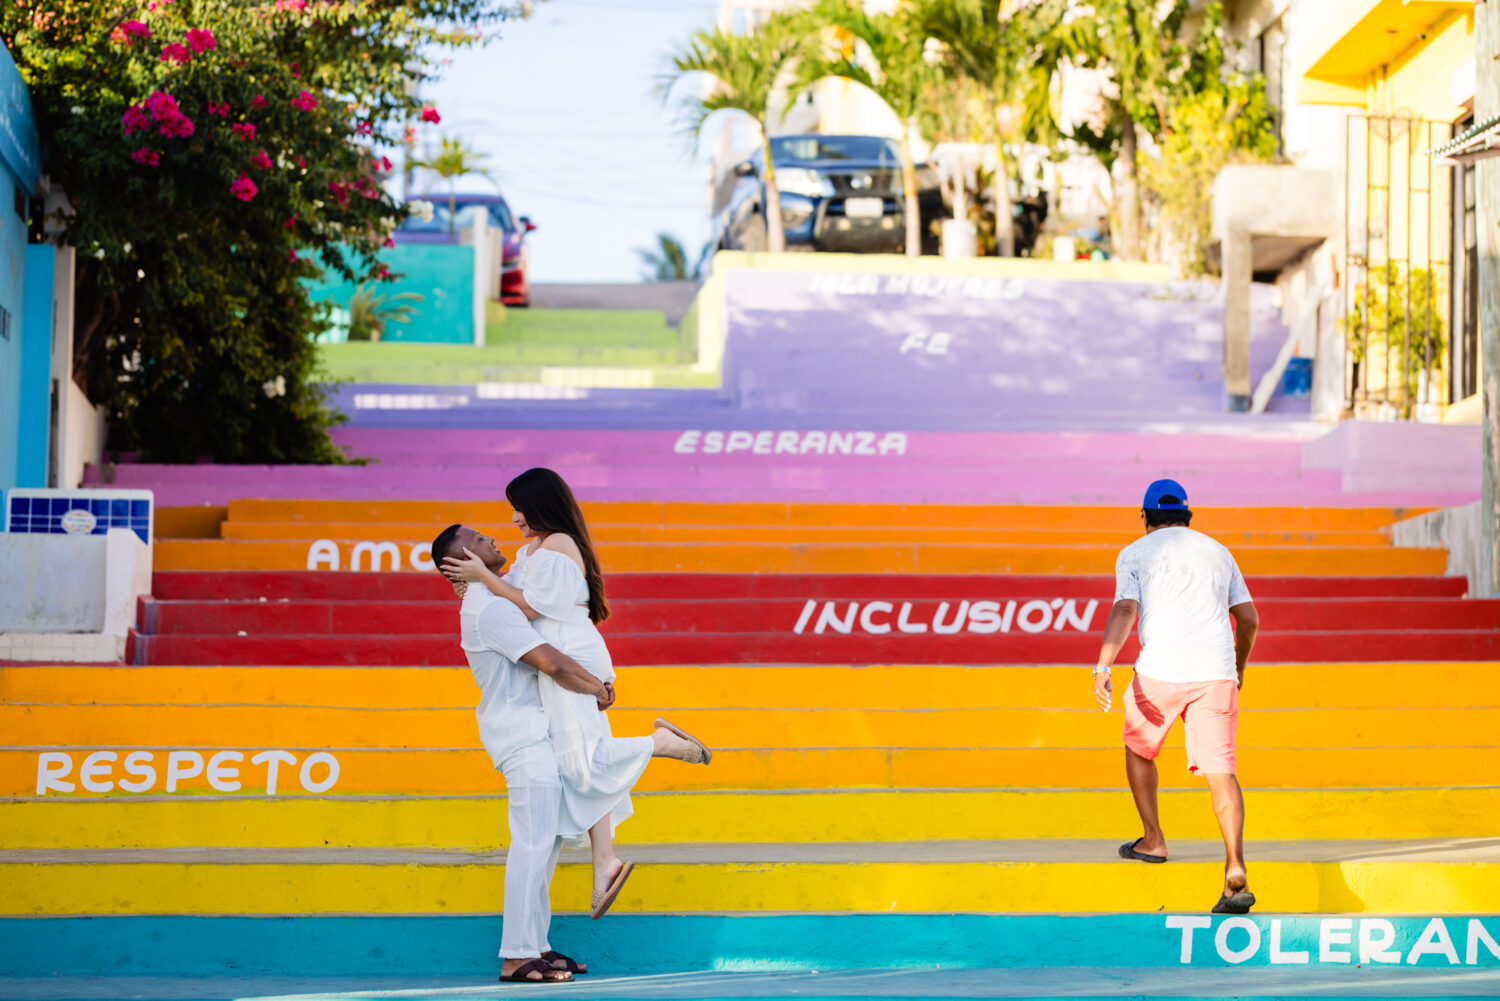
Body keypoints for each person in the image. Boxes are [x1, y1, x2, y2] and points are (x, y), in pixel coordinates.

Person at [436, 521, 710, 948]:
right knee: (533, 847)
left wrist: (590, 684)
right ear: (463, 562)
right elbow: (552, 663)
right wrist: (595, 687)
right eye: (477, 540)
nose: (492, 536)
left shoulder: (492, 594)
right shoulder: (489, 608)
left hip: (536, 730)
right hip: (523, 737)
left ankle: (537, 947)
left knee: (543, 849)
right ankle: (518, 954)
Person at [1091, 479, 1261, 914]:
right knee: (1222, 771)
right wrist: (1238, 667)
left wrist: (1103, 665)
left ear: (1146, 517)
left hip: (1160, 672)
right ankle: (1235, 868)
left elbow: (1125, 609)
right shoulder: (1218, 552)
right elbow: (1249, 619)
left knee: (1138, 748)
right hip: (1216, 674)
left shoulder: (1134, 553)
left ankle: (1153, 839)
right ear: (1188, 515)